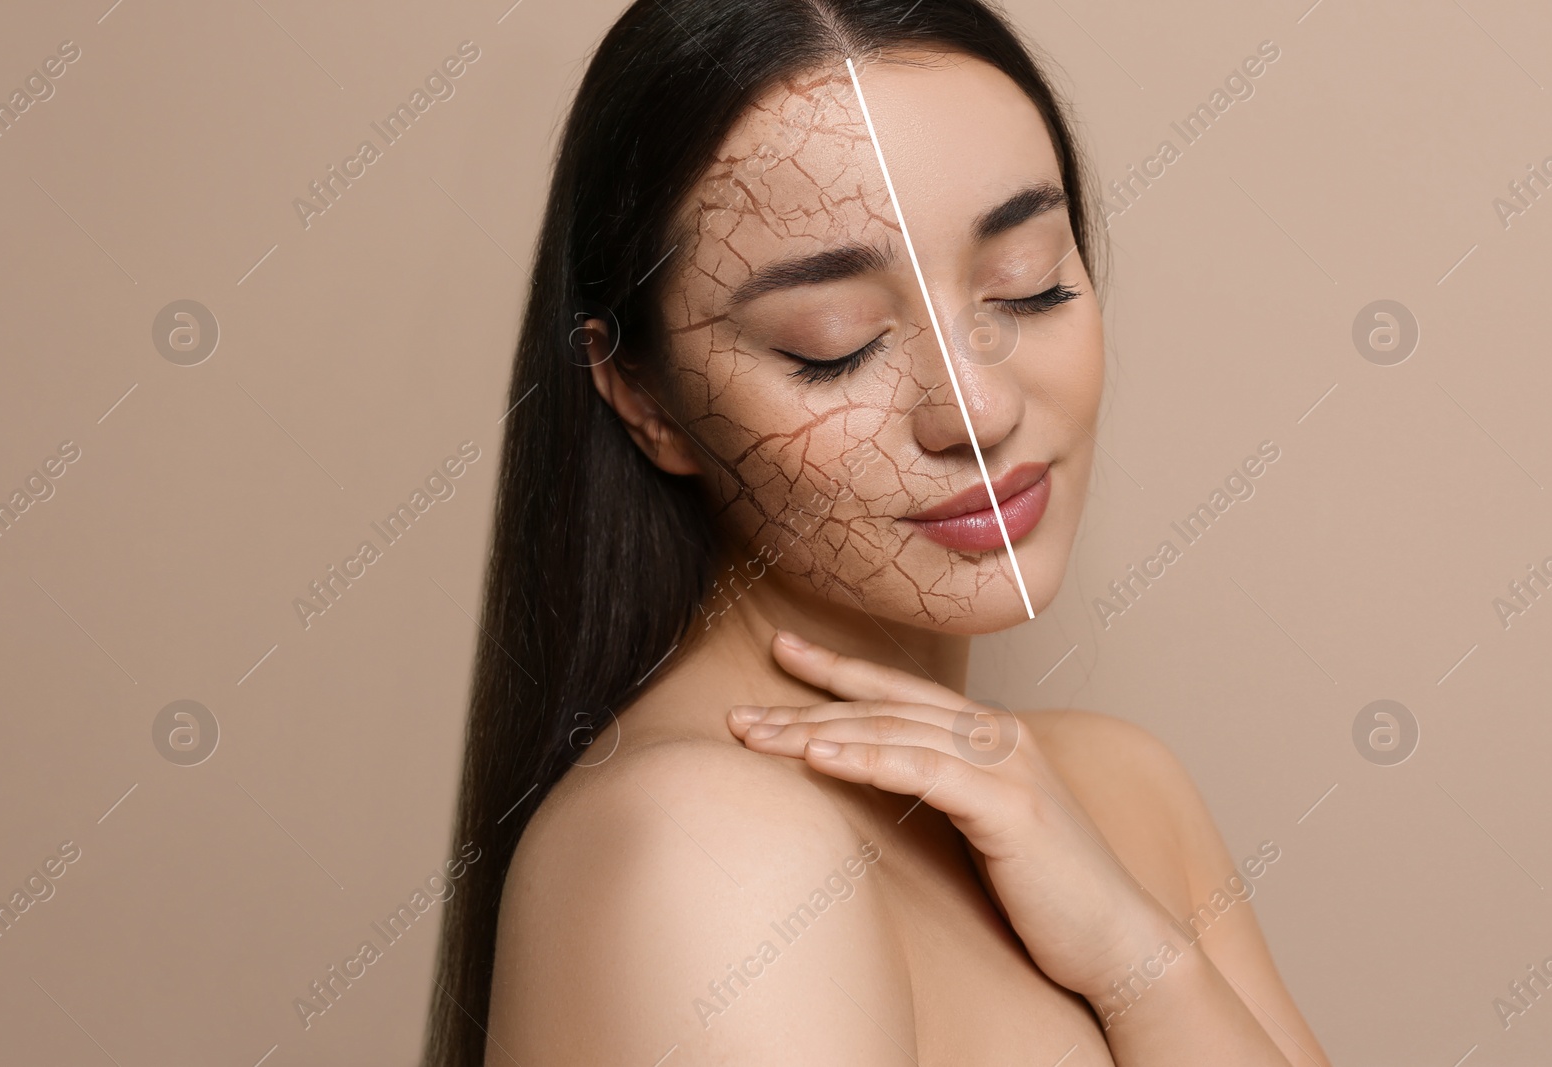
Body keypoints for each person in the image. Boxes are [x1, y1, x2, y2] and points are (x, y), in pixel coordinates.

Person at [425, 1, 1331, 1063]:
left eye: (1029, 285)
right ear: (641, 393)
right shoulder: (707, 847)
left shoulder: (1118, 793)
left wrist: (1139, 958)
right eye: (834, 344)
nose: (976, 408)